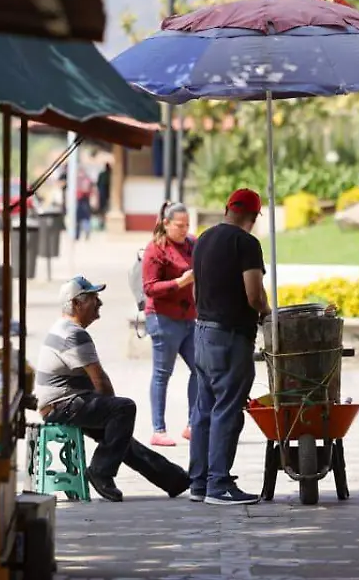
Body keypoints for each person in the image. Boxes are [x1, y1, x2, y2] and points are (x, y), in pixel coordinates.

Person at [34, 276, 189, 502]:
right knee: (123, 409)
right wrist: (113, 412)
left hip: (64, 403)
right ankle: (100, 471)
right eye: (93, 298)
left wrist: (113, 422)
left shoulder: (63, 327)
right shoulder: (74, 334)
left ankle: (175, 479)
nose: (99, 303)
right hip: (62, 405)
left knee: (120, 439)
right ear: (76, 304)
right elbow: (100, 380)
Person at [189, 188, 269, 505]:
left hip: (201, 332)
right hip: (230, 336)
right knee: (227, 409)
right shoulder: (246, 243)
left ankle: (199, 483)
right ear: (253, 216)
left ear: (227, 209)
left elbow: (195, 291)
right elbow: (254, 294)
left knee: (203, 410)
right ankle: (219, 484)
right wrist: (267, 312)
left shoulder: (203, 239)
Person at [141, 201, 198, 447]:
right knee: (162, 373)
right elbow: (149, 288)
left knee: (201, 369)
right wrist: (179, 283)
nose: (184, 230)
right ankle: (158, 429)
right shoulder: (156, 249)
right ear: (166, 223)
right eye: (179, 225)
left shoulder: (192, 244)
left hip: (189, 317)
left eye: (187, 225)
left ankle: (194, 424)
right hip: (163, 319)